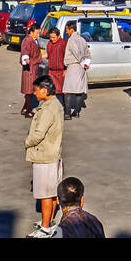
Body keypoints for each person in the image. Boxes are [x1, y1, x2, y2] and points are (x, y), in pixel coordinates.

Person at [25, 76, 64, 233]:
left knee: (45, 194)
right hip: (53, 153)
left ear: (44, 90)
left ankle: (45, 228)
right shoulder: (54, 103)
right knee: (52, 192)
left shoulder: (48, 109)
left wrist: (27, 142)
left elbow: (38, 134)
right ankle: (49, 220)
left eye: (36, 90)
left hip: (45, 156)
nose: (34, 94)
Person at [61, 23, 90, 120]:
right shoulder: (82, 39)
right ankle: (76, 111)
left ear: (71, 30)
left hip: (74, 65)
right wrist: (86, 63)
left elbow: (76, 52)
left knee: (67, 90)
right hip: (81, 67)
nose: (66, 32)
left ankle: (67, 114)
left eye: (67, 30)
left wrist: (81, 62)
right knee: (79, 90)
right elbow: (87, 53)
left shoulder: (71, 40)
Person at [20, 25, 43, 118]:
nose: (38, 35)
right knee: (29, 91)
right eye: (37, 33)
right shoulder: (28, 41)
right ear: (32, 32)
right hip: (30, 69)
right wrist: (27, 60)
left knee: (29, 90)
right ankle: (27, 111)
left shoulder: (34, 40)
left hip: (33, 68)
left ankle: (25, 108)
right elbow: (25, 52)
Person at [44, 27, 67, 97]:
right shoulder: (49, 43)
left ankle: (64, 106)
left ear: (59, 36)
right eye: (51, 37)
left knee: (61, 92)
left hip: (61, 72)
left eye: (54, 37)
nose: (52, 39)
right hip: (51, 72)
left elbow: (67, 57)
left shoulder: (63, 43)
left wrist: (66, 69)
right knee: (51, 91)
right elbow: (48, 55)